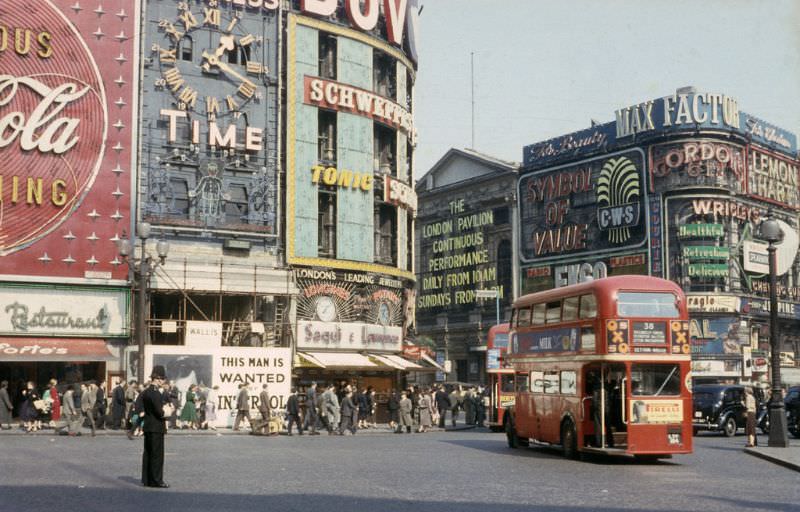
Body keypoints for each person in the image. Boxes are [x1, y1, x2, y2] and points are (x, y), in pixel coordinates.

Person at [141, 366, 169, 488]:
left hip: (148, 426)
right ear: (158, 379)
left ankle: (146, 479)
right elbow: (160, 412)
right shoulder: (156, 393)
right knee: (157, 455)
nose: (163, 382)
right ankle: (157, 480)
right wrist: (168, 411)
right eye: (162, 379)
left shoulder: (146, 392)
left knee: (148, 453)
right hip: (157, 427)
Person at [592, 373, 614, 448]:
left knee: (598, 426)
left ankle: (599, 443)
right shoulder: (607, 386)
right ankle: (611, 442)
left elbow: (595, 400)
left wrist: (594, 408)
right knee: (608, 426)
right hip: (607, 408)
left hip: (599, 408)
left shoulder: (596, 387)